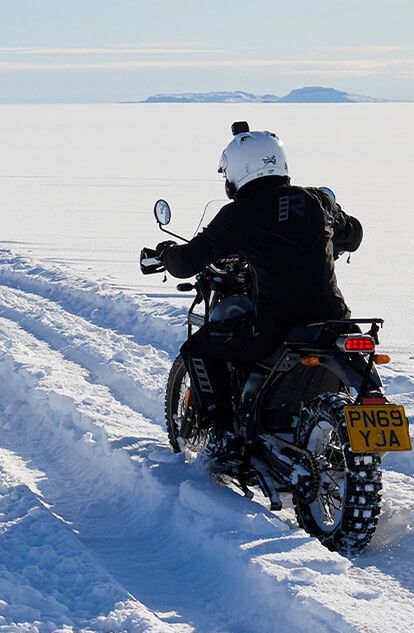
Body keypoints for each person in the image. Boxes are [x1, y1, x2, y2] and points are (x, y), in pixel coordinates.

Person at [140, 122, 363, 464]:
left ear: (239, 170)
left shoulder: (241, 212)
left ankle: (224, 438)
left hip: (275, 329)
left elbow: (187, 262)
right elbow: (354, 234)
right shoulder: (315, 200)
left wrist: (166, 252)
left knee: (199, 346)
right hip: (334, 324)